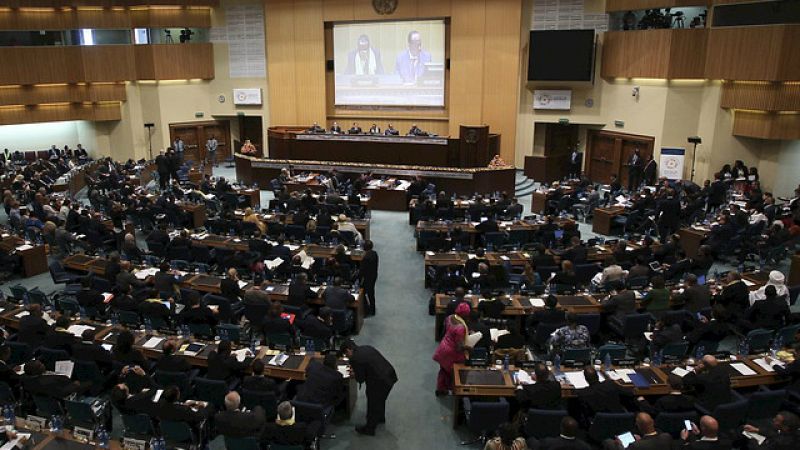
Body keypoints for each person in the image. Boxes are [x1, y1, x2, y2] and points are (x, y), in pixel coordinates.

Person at [340, 340, 398, 435]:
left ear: (348, 350)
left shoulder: (355, 358)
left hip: (379, 382)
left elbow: (361, 379)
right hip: (389, 375)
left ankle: (369, 429)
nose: (347, 356)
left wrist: (354, 374)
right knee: (380, 399)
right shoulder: (366, 347)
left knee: (373, 403)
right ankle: (380, 418)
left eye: (346, 354)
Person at [433, 303, 470, 396]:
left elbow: (447, 331)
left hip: (443, 347)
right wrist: (469, 348)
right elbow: (459, 347)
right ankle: (455, 390)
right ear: (465, 314)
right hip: (452, 353)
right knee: (455, 373)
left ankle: (440, 389)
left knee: (443, 370)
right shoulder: (461, 327)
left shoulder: (450, 317)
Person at [605, 412, 672, 450]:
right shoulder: (667, 437)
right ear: (653, 422)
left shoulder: (635, 445)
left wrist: (619, 444)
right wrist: (641, 440)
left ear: (638, 427)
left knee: (607, 441)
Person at [360, 239, 379, 316]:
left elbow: (362, 270)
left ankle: (367, 310)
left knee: (363, 293)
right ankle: (372, 309)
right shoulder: (374, 253)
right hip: (374, 275)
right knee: (371, 293)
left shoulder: (365, 258)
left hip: (368, 277)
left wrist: (357, 277)